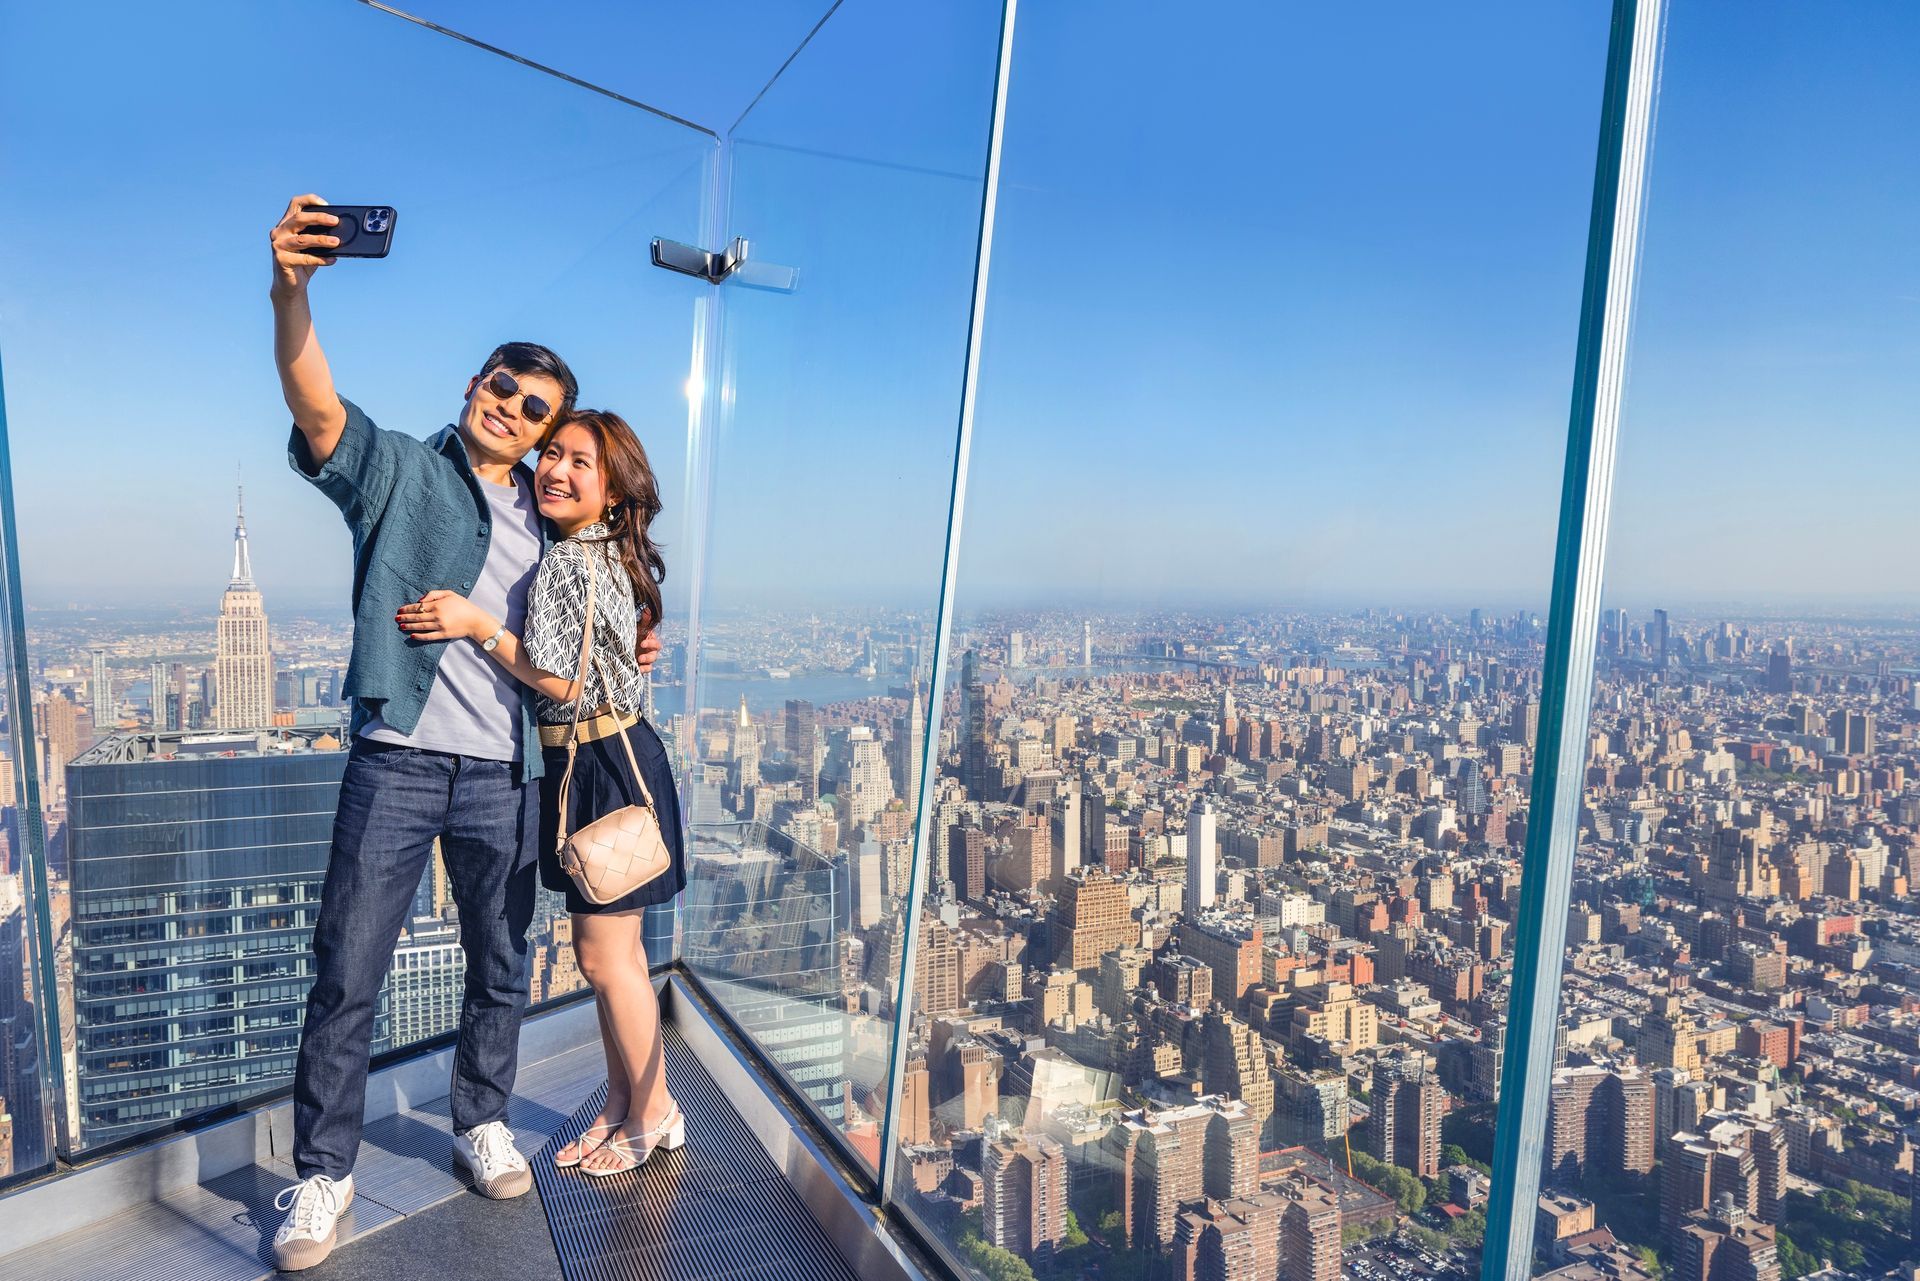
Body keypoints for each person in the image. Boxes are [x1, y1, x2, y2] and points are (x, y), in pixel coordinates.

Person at [265, 195, 660, 1270]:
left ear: (546, 434)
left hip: (508, 770)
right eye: (504, 387)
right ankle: (322, 1177)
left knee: (500, 960)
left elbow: (603, 611)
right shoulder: (400, 469)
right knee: (347, 968)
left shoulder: (559, 513)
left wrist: (639, 642)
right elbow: (315, 410)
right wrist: (291, 289)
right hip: (396, 758)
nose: (515, 411)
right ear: (473, 387)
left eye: (536, 410)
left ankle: (480, 1118)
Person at [397, 408, 688, 1178]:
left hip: (598, 762)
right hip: (613, 755)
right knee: (614, 955)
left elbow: (558, 678)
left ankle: (652, 1111)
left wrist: (473, 622)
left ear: (615, 492)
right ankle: (628, 1102)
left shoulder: (567, 560)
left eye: (580, 463)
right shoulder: (597, 553)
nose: (556, 470)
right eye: (551, 453)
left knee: (603, 959)